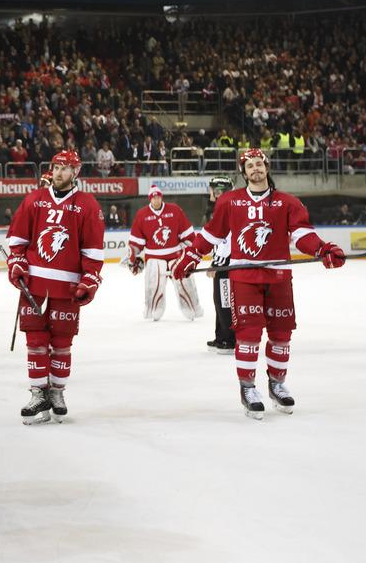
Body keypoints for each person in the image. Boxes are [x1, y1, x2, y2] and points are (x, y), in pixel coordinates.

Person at [172, 148, 346, 419]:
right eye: (250, 165)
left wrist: (322, 250)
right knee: (249, 335)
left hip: (278, 277)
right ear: (243, 172)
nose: (255, 168)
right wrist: (191, 256)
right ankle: (248, 388)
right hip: (244, 277)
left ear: (267, 168)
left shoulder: (287, 202)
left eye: (259, 164)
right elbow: (211, 235)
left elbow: (302, 235)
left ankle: (277, 384)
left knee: (281, 335)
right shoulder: (230, 201)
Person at [5, 150, 105, 424]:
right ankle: (39, 393)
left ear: (76, 172)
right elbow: (18, 240)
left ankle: (57, 392)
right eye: (56, 167)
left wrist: (89, 279)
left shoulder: (87, 204)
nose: (59, 172)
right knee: (36, 341)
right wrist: (17, 263)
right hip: (35, 285)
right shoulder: (34, 200)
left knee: (62, 343)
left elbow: (93, 250)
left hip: (67, 288)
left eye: (65, 168)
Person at [127, 185, 203, 321]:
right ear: (150, 199)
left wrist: (195, 248)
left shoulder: (174, 210)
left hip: (175, 253)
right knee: (154, 282)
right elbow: (136, 241)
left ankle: (193, 308)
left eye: (158, 196)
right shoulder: (142, 214)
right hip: (154, 255)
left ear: (161, 197)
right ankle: (153, 309)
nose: (156, 200)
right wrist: (133, 257)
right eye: (153, 197)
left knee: (185, 281)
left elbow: (186, 232)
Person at [204, 176, 236, 354]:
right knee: (219, 300)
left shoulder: (227, 208)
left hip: (226, 266)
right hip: (223, 262)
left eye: (213, 190)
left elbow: (226, 240)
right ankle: (221, 337)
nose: (210, 193)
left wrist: (218, 264)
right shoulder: (221, 207)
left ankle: (230, 340)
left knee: (225, 302)